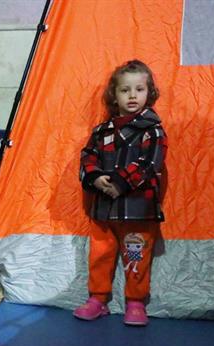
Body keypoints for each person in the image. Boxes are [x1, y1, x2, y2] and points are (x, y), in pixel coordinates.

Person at [75, 59, 167, 326]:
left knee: (136, 255)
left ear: (149, 93)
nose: (132, 95)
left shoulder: (153, 130)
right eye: (125, 90)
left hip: (137, 209)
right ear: (114, 96)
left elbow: (150, 164)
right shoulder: (101, 131)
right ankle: (98, 299)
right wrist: (95, 177)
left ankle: (136, 302)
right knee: (99, 255)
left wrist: (120, 182)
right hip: (104, 207)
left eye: (139, 89)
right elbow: (88, 157)